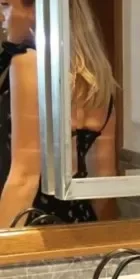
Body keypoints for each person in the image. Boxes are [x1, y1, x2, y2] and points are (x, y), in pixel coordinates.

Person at [0, 0, 117, 227]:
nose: (1, 16)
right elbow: (104, 179)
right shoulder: (99, 78)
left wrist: (4, 243)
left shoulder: (27, 62)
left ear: (38, 9)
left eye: (5, 5)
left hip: (32, 223)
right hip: (81, 226)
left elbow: (24, 178)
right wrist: (107, 239)